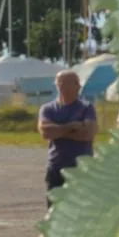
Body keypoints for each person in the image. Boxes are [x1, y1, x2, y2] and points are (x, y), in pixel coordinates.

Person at [38, 70, 97, 201]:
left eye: (77, 83)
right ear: (59, 85)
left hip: (81, 168)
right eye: (75, 83)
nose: (79, 86)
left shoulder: (86, 107)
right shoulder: (48, 109)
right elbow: (45, 132)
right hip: (56, 167)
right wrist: (71, 127)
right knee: (55, 210)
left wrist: (58, 131)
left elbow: (88, 133)